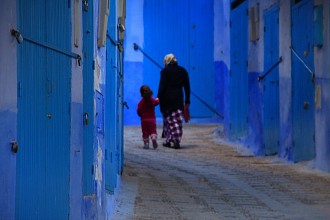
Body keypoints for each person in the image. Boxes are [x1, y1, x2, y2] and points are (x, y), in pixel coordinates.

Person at [157, 53, 191, 149]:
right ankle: (173, 139)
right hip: (178, 99)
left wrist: (158, 98)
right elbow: (187, 88)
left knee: (168, 121)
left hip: (166, 100)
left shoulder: (164, 71)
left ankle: (170, 140)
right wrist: (187, 100)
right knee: (176, 120)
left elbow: (162, 86)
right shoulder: (183, 71)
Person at [137, 85, 160, 149]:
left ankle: (146, 143)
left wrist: (141, 115)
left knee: (145, 132)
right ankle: (153, 138)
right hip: (152, 119)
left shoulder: (140, 103)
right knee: (153, 130)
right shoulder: (152, 100)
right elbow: (156, 102)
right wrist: (157, 99)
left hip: (144, 120)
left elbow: (138, 111)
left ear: (141, 93)